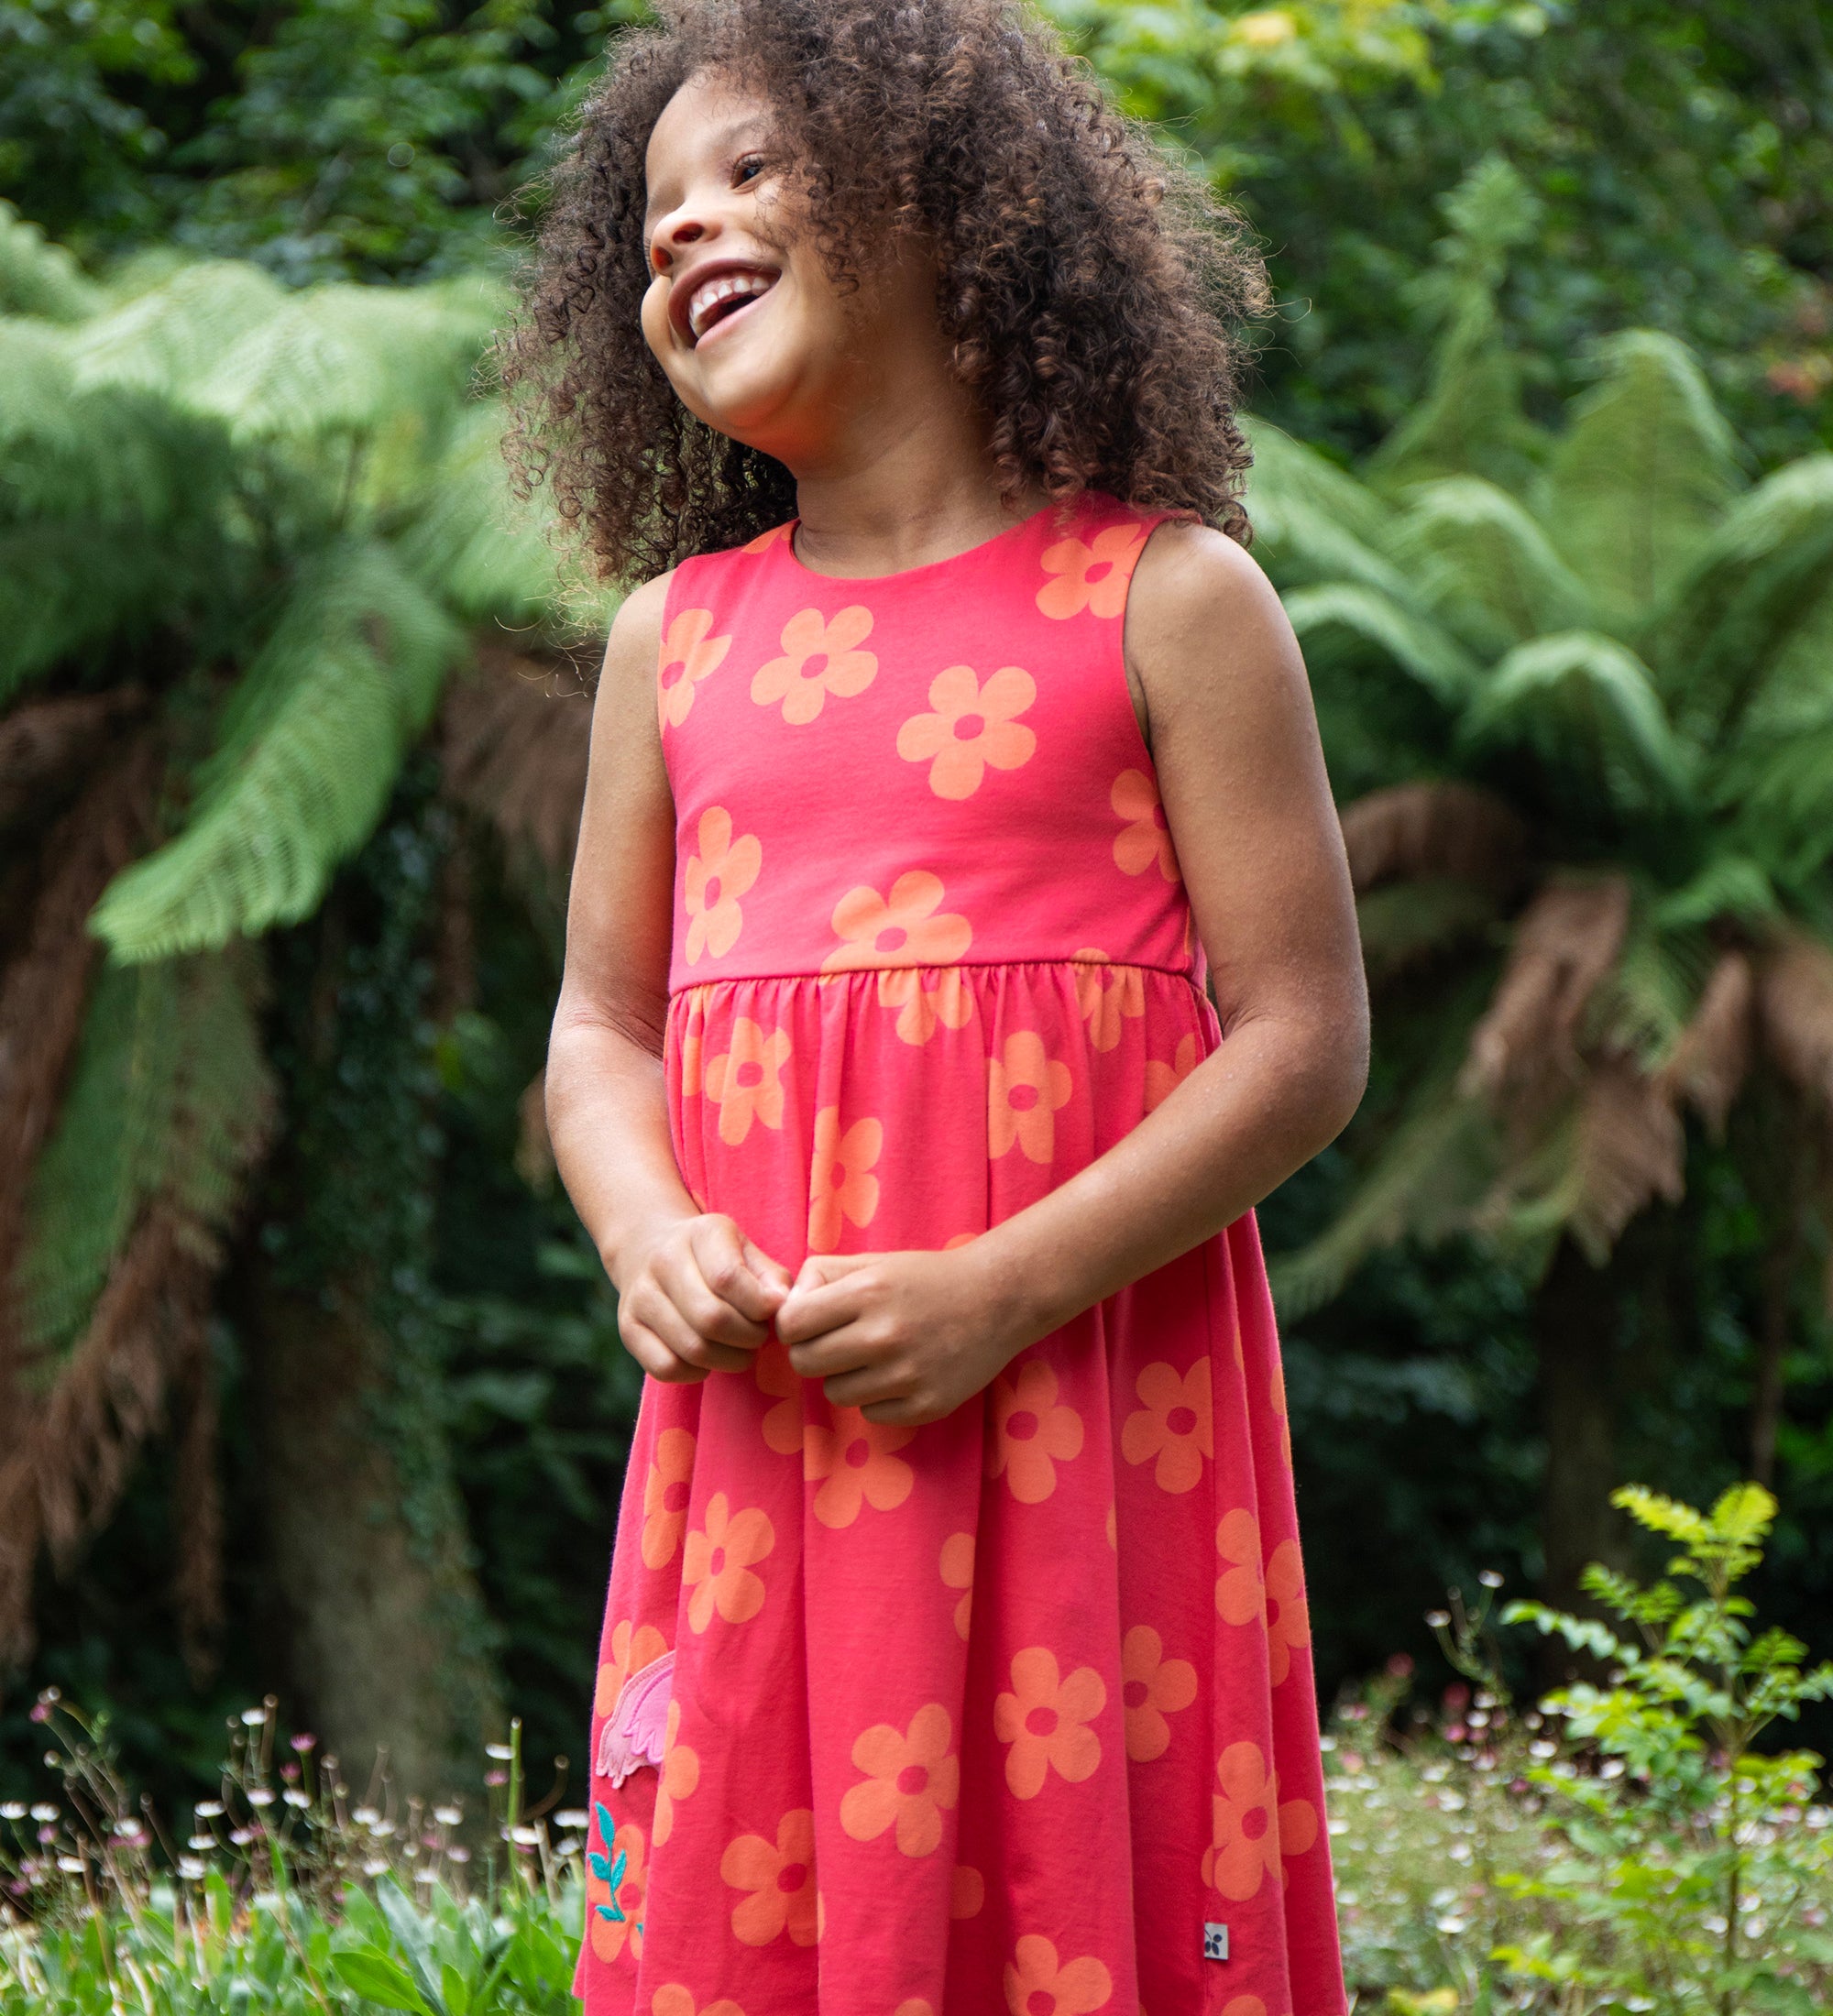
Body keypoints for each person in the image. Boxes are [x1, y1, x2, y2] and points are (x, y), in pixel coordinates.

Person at [510, 4, 1367, 2011]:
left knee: (1088, 1885)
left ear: (948, 202)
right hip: (765, 1450)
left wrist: (1002, 1284)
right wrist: (646, 1235)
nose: (682, 232)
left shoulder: (1166, 602)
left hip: (1085, 1413)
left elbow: (1303, 1036)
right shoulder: (674, 643)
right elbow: (598, 1027)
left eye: (748, 172)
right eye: (651, 214)